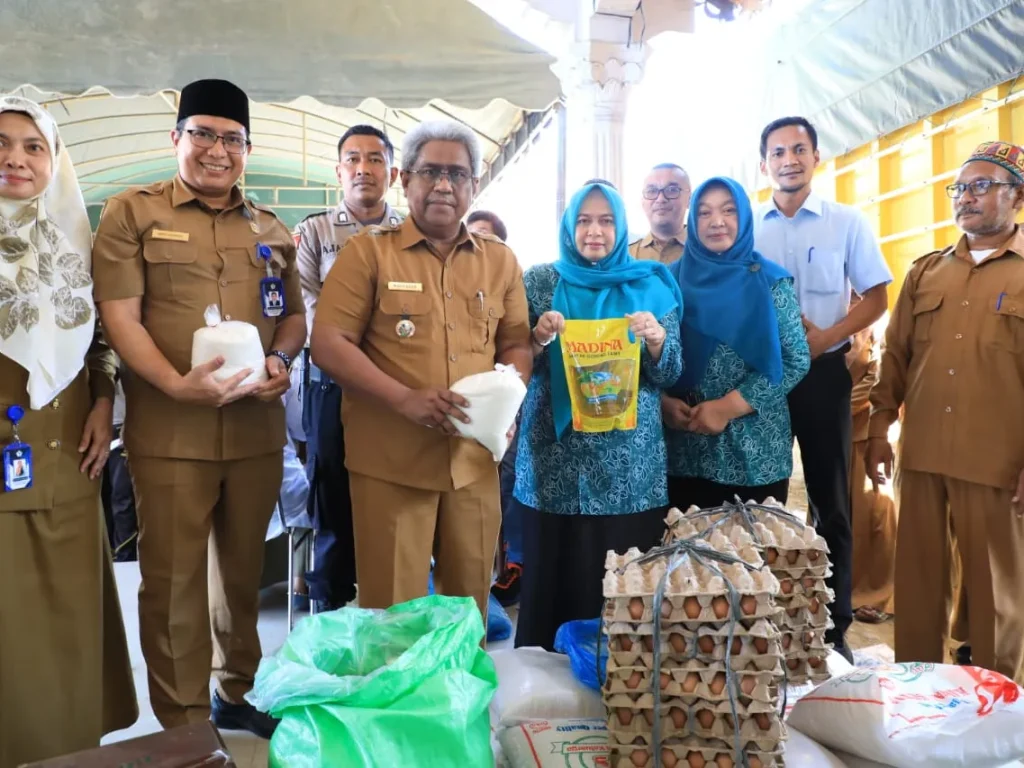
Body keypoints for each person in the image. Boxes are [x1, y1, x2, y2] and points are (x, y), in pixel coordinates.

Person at [92, 78, 306, 737]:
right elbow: (119, 317)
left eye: (232, 139)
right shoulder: (135, 212)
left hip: (253, 431)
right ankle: (183, 719)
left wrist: (281, 362)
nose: (218, 150)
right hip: (171, 430)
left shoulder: (270, 227)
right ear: (177, 138)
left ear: (247, 148)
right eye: (204, 134)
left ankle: (232, 691)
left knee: (242, 575)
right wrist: (175, 384)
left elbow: (293, 318)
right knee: (173, 580)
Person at [310, 120, 533, 622]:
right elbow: (328, 343)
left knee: (465, 614)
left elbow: (516, 343)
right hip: (391, 463)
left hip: (474, 461)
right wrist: (404, 400)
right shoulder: (367, 253)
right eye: (430, 172)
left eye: (457, 174)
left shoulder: (500, 263)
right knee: (394, 616)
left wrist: (508, 400)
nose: (443, 185)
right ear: (405, 180)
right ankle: (396, 703)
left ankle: (461, 702)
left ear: (474, 186)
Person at [0, 95, 138, 767]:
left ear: (55, 162)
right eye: (2, 142)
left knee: (66, 627)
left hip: (71, 465)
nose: (16, 158)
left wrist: (105, 398)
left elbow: (100, 341)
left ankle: (69, 752)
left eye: (34, 146)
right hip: (4, 459)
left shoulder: (75, 244)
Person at [866, 140, 1024, 683]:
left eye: (982, 186)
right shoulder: (925, 273)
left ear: (1016, 197)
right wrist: (877, 428)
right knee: (917, 584)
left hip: (996, 460)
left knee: (995, 592)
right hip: (924, 451)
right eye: (960, 188)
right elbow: (897, 356)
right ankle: (917, 692)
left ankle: (994, 702)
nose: (966, 198)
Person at [513, 181, 683, 651]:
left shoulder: (649, 284)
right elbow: (516, 365)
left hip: (630, 469)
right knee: (551, 582)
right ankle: (543, 707)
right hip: (554, 464)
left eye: (606, 221)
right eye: (584, 221)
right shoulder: (541, 282)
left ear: (621, 227)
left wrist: (655, 341)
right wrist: (537, 339)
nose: (595, 231)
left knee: (622, 593)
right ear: (569, 227)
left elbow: (670, 372)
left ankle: (620, 694)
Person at [754, 116, 893, 660]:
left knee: (831, 500)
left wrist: (828, 339)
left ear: (816, 157)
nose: (789, 159)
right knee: (762, 497)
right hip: (762, 379)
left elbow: (876, 296)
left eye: (799, 149)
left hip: (823, 373)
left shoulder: (846, 223)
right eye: (778, 151)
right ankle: (761, 619)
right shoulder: (749, 228)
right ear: (763, 162)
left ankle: (834, 630)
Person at [296, 125, 403, 612]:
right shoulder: (315, 232)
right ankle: (332, 619)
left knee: (396, 503)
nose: (365, 169)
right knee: (334, 506)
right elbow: (305, 306)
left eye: (376, 159)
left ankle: (391, 616)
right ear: (339, 172)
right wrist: (359, 344)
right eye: (354, 160)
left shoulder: (408, 231)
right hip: (333, 389)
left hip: (396, 392)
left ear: (393, 172)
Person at [662, 177, 809, 511]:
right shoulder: (667, 282)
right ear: (692, 221)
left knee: (752, 556)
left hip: (753, 456)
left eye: (729, 211)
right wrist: (663, 404)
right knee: (680, 558)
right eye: (705, 212)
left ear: (744, 218)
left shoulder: (770, 281)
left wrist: (727, 407)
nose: (717, 221)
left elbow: (794, 359)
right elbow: (646, 358)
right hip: (682, 453)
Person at [847, 299, 897, 623]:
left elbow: (877, 381)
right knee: (839, 511)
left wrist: (831, 408)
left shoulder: (878, 320)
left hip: (868, 432)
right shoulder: (823, 312)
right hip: (832, 436)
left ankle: (878, 594)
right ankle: (839, 586)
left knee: (874, 513)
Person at [629, 163, 691, 265]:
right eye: (652, 191)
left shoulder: (705, 251)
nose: (660, 199)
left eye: (672, 190)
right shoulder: (627, 256)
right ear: (642, 201)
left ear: (689, 199)